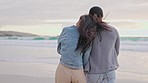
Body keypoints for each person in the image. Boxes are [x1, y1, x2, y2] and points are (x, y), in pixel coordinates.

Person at [55, 15, 97, 83]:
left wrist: (65, 54)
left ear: (80, 22)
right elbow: (85, 58)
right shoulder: (88, 36)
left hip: (63, 67)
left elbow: (59, 48)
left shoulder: (67, 30)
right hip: (78, 70)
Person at [84, 6, 120, 83]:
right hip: (110, 70)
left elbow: (86, 52)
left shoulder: (88, 32)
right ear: (102, 16)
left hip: (93, 71)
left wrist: (84, 67)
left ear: (89, 16)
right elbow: (116, 51)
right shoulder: (113, 30)